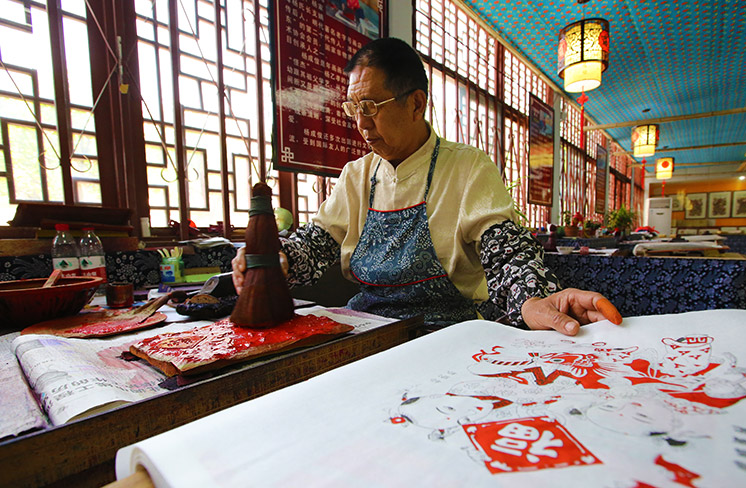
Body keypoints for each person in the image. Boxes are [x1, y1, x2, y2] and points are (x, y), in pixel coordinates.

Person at [233, 37, 621, 336]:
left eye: (370, 107)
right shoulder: (356, 175)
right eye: (354, 110)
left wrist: (533, 298)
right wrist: (275, 257)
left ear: (416, 104)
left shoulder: (467, 167)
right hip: (365, 330)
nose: (362, 125)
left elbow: (505, 250)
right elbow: (314, 247)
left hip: (447, 334)